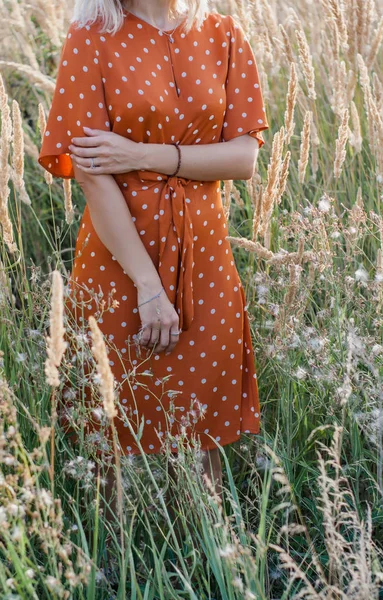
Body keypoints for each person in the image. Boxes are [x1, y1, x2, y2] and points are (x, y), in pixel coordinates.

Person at [38, 0, 269, 512]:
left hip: (205, 254)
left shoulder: (223, 32)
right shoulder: (91, 35)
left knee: (205, 417)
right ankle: (114, 551)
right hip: (120, 256)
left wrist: (142, 155)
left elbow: (243, 157)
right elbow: (92, 172)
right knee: (112, 409)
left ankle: (208, 548)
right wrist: (147, 285)